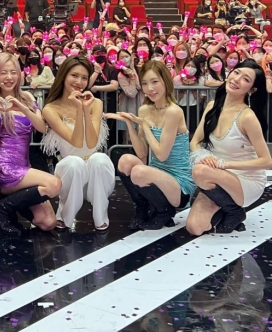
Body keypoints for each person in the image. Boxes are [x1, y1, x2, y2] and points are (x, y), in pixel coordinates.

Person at [186, 59, 272, 236]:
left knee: (200, 171)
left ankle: (234, 211)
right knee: (194, 227)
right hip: (215, 174)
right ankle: (222, 204)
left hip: (245, 180)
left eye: (246, 79)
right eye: (236, 72)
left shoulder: (247, 117)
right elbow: (195, 142)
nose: (237, 79)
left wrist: (225, 164)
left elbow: (267, 161)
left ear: (252, 90)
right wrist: (203, 156)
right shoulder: (212, 106)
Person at [107, 61, 195, 230]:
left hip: (179, 184)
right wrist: (130, 124)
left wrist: (145, 126)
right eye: (145, 83)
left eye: (154, 82)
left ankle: (164, 211)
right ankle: (142, 208)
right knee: (125, 160)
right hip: (154, 176)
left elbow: (161, 155)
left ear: (165, 81)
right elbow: (142, 153)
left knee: (139, 172)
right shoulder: (145, 110)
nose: (150, 88)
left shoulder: (174, 111)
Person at [0, 53, 61, 235]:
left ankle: (3, 204)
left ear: (19, 73)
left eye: (13, 72)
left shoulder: (28, 97)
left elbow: (42, 128)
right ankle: (1, 210)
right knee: (53, 184)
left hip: (23, 167)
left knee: (48, 222)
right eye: (3, 73)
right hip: (2, 167)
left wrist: (23, 107)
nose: (9, 77)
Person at [42, 56, 114, 231]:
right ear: (64, 76)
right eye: (74, 75)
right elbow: (75, 141)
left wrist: (84, 108)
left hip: (95, 170)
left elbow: (91, 142)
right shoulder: (51, 109)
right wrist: (80, 108)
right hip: (69, 169)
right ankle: (64, 216)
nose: (79, 82)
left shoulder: (95, 103)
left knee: (99, 159)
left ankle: (100, 216)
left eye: (84, 78)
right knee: (75, 163)